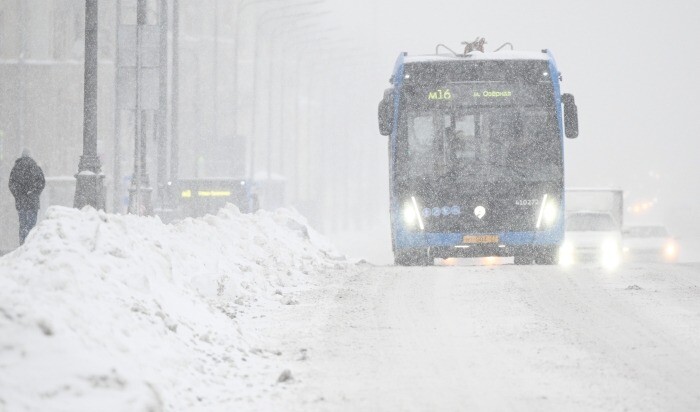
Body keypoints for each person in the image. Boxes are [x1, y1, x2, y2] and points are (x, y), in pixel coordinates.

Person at [8, 149, 45, 245]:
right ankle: (31, 245)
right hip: (33, 203)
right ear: (30, 156)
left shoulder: (16, 168)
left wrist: (18, 195)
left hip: (21, 203)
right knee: (32, 226)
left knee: (23, 225)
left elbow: (11, 184)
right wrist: (34, 193)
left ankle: (23, 245)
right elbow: (42, 183)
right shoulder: (36, 167)